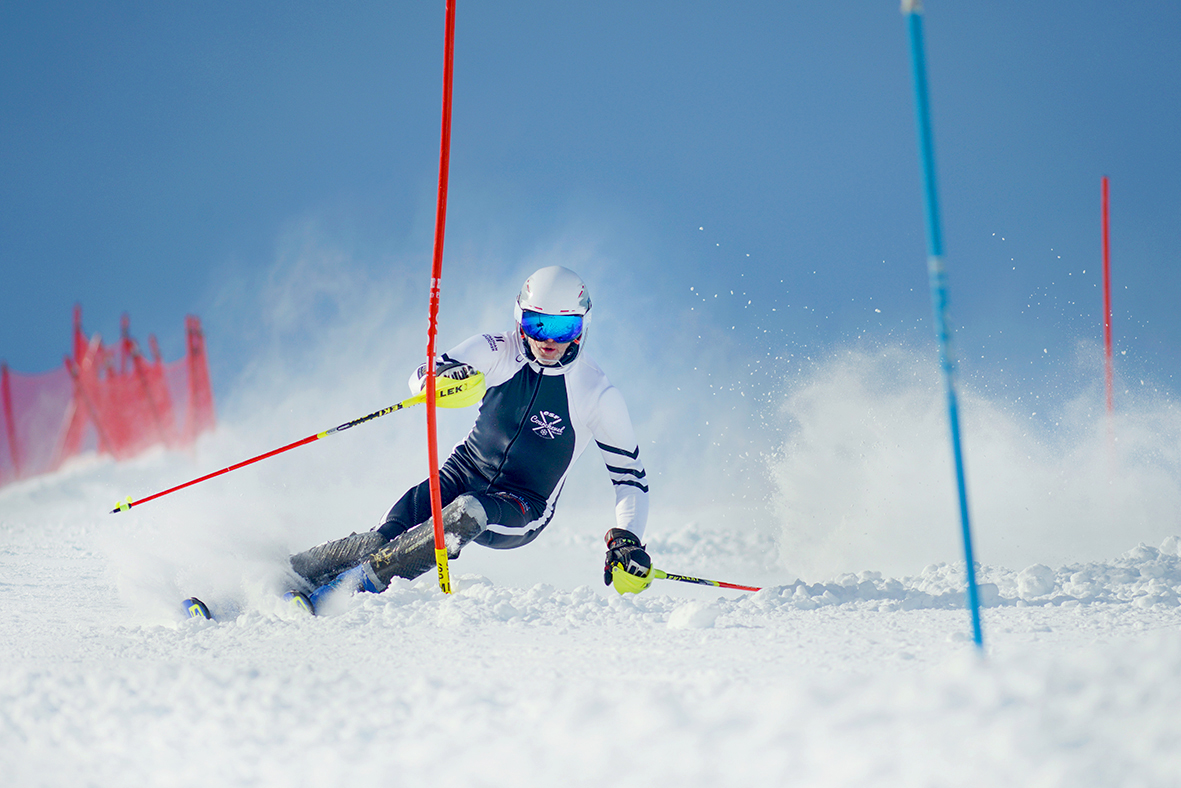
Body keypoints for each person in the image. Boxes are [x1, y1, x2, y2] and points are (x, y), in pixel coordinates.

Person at [288, 265, 655, 612]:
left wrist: (627, 539)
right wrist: (438, 382)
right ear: (519, 318)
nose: (547, 340)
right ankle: (290, 572)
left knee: (468, 511)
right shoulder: (497, 348)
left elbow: (630, 479)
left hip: (521, 504)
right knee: (380, 538)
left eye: (561, 330)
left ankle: (340, 596)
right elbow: (421, 376)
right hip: (461, 471)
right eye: (536, 323)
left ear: (582, 328)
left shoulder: (598, 393)